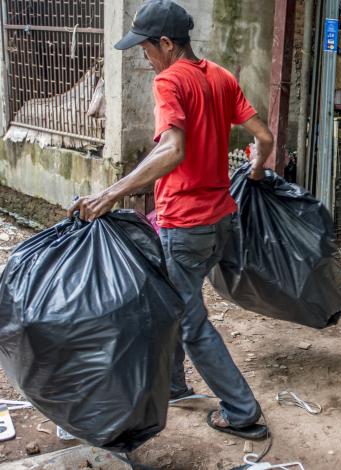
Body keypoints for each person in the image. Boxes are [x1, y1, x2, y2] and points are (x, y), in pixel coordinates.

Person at [69, 0, 271, 440]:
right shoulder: (220, 76)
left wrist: (109, 194)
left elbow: (172, 149)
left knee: (189, 321)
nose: (144, 55)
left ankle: (241, 411)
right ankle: (176, 385)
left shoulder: (169, 81)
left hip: (186, 225)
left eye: (146, 46)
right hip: (221, 222)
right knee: (175, 303)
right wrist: (255, 171)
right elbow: (265, 136)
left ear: (166, 43)